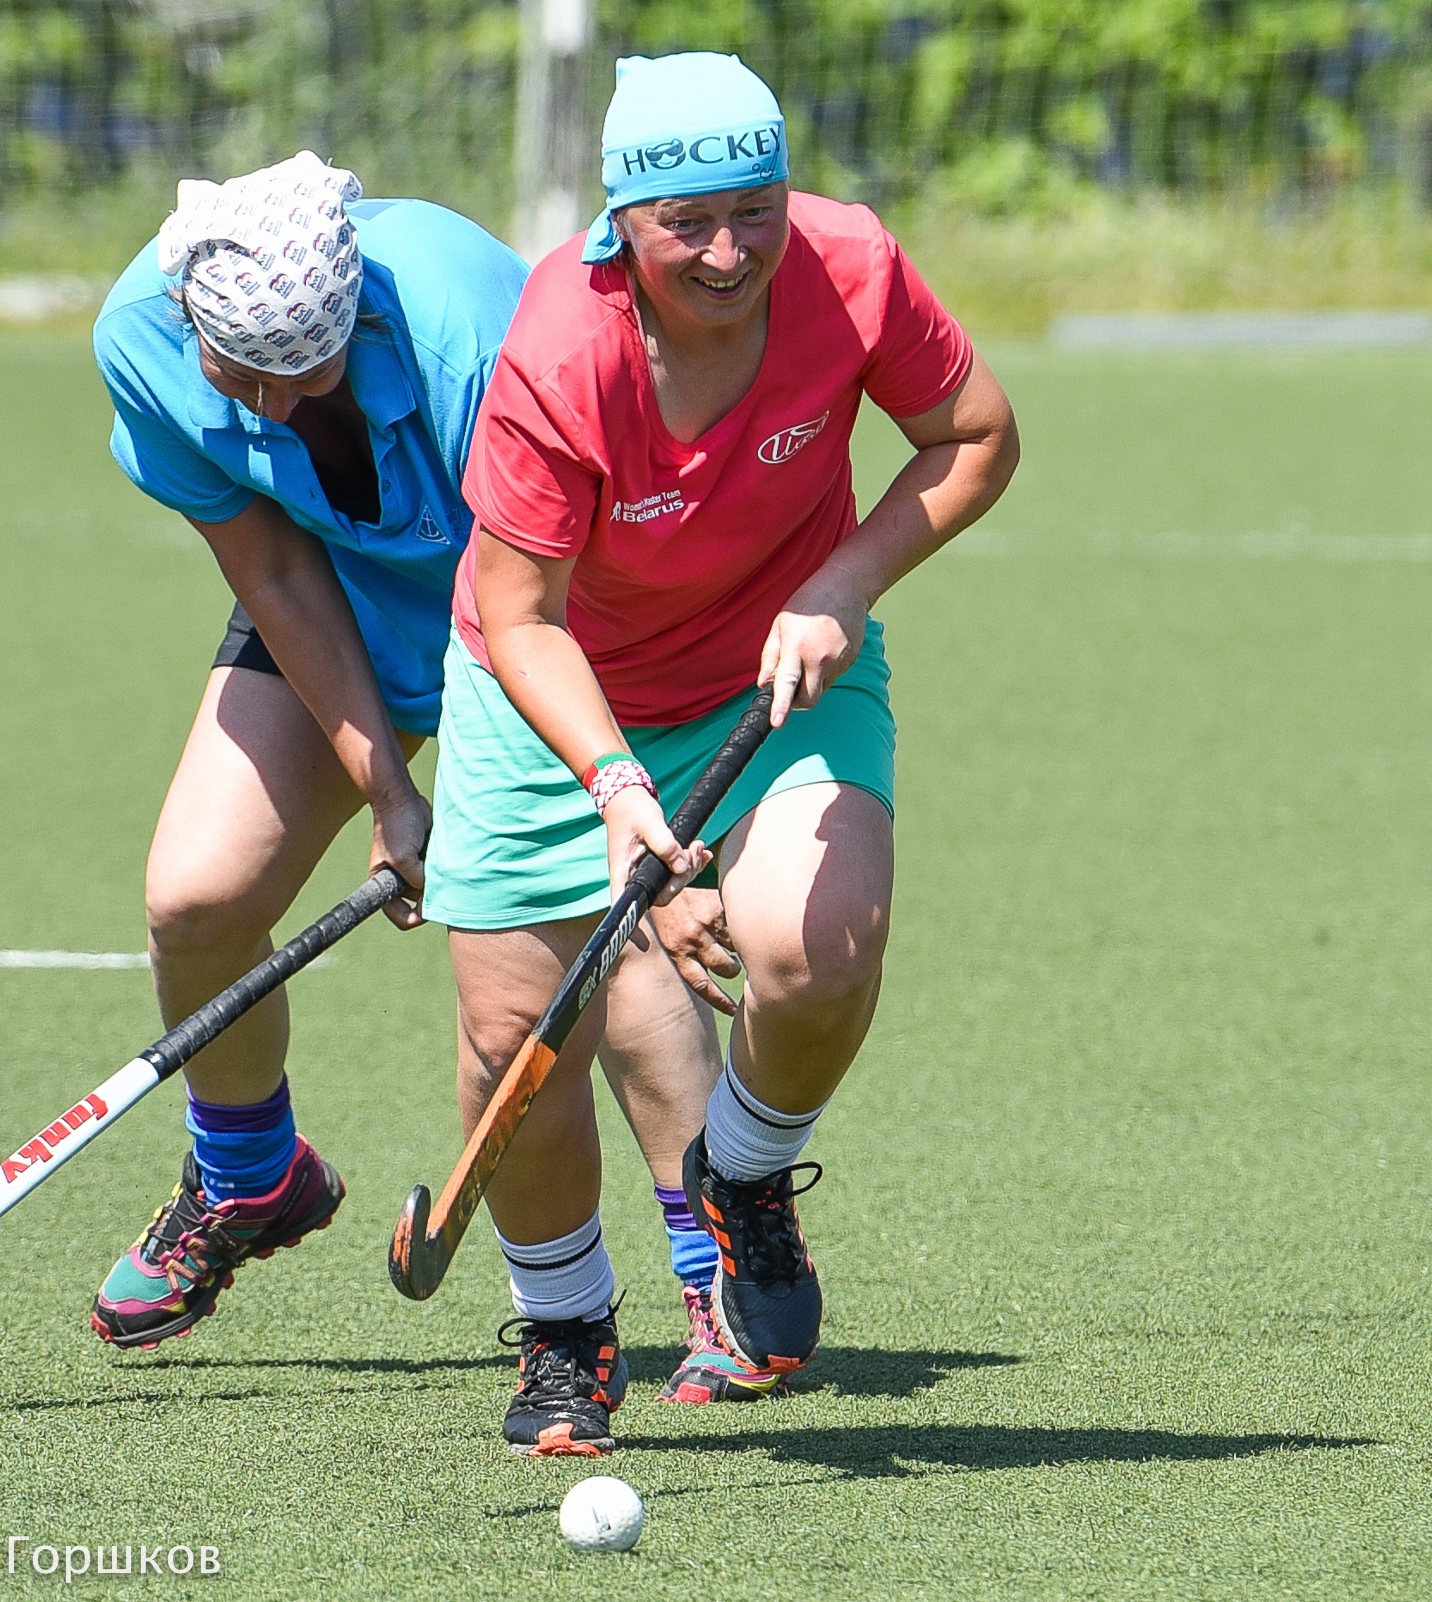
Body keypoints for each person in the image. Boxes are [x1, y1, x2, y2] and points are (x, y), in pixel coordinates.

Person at [424, 54, 1020, 1455]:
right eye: (688, 219)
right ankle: (569, 1330)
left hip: (783, 662)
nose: (731, 249)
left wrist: (849, 580)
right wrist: (617, 786)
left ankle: (742, 1172)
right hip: (551, 690)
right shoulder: (558, 351)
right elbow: (517, 614)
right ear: (622, 222)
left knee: (817, 946)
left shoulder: (852, 265)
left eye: (756, 208)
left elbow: (976, 437)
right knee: (519, 1036)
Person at [86, 152, 729, 1359]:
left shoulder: (473, 335)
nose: (274, 407)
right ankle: (248, 1178)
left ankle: (716, 1266)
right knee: (197, 896)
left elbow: (544, 589)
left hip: (542, 610)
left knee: (610, 922)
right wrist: (391, 790)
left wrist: (592, 791)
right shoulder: (143, 341)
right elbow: (274, 568)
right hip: (339, 594)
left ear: (360, 311)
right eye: (247, 377)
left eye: (308, 374)